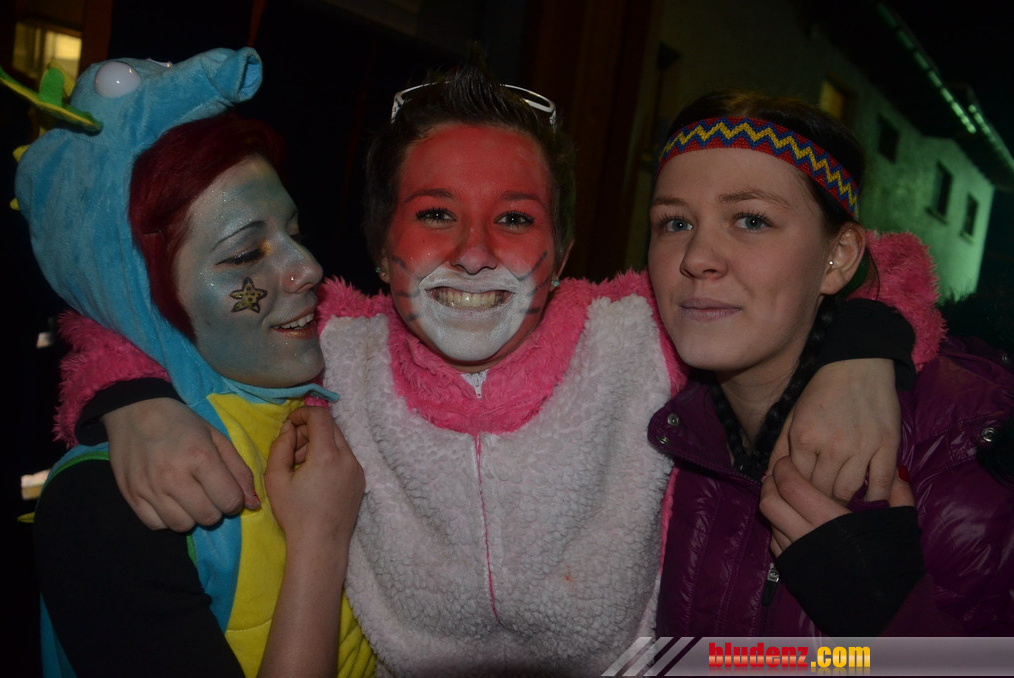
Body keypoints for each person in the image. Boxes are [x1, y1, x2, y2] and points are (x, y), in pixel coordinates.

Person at [51, 59, 943, 673]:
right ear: (380, 247)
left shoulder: (644, 331)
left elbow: (881, 260)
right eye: (436, 214)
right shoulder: (333, 345)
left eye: (515, 219)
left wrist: (862, 352)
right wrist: (129, 395)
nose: (474, 253)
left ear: (564, 255)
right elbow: (142, 302)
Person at [14, 49, 371, 676]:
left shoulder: (357, 369)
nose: (310, 268)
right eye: (244, 256)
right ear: (137, 295)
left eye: (294, 233)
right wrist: (320, 537)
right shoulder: (106, 506)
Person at [647, 91, 1014, 637]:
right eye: (675, 223)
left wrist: (896, 623)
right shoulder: (655, 409)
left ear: (838, 257)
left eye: (751, 220)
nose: (697, 258)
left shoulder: (961, 448)